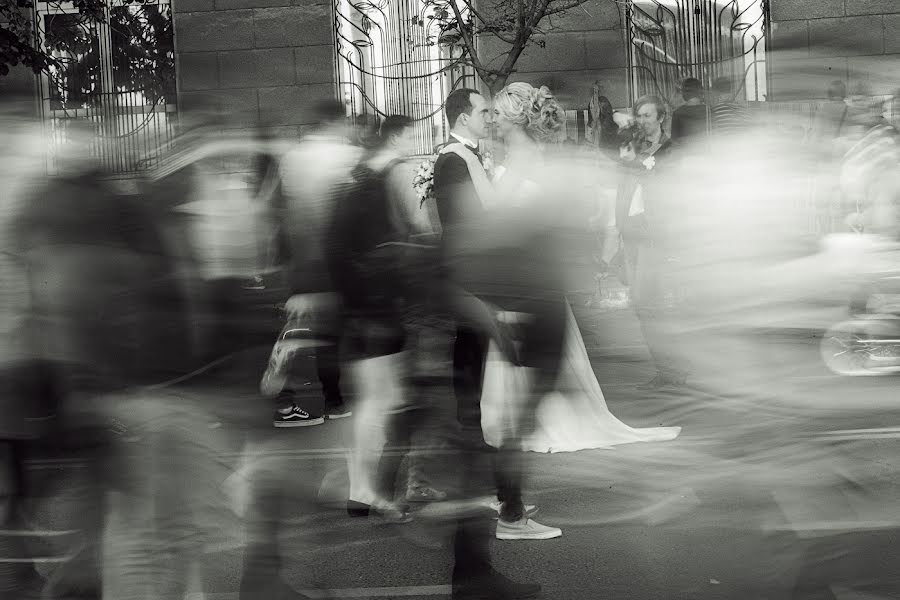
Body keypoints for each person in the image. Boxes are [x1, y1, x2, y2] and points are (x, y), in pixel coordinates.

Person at [479, 85, 682, 452]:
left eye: (497, 114)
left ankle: (530, 427)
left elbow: (500, 212)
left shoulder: (524, 157)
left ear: (515, 119)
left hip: (525, 272)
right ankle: (525, 423)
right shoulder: (521, 154)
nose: (493, 120)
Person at [431, 87, 542, 600]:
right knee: (474, 410)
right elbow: (466, 228)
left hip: (479, 292)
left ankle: (500, 511)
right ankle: (502, 510)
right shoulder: (454, 161)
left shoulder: (470, 158)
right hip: (473, 292)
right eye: (482, 111)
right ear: (462, 117)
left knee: (481, 406)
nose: (487, 117)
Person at [273, 100, 360, 427]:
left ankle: (287, 400)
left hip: (300, 259)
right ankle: (334, 400)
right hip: (331, 260)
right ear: (334, 122)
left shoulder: (292, 158)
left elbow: (286, 210)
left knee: (298, 331)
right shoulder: (343, 157)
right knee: (329, 335)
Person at [615, 95, 690, 390]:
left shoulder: (671, 150)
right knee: (642, 305)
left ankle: (672, 369)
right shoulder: (634, 148)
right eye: (639, 115)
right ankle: (672, 366)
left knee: (648, 304)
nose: (643, 121)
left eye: (648, 115)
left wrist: (634, 162)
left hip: (652, 234)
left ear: (661, 117)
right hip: (631, 232)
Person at [670, 77, 709, 149]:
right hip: (705, 152)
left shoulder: (677, 112)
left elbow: (674, 140)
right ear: (700, 91)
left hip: (685, 154)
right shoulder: (709, 110)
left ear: (683, 92)